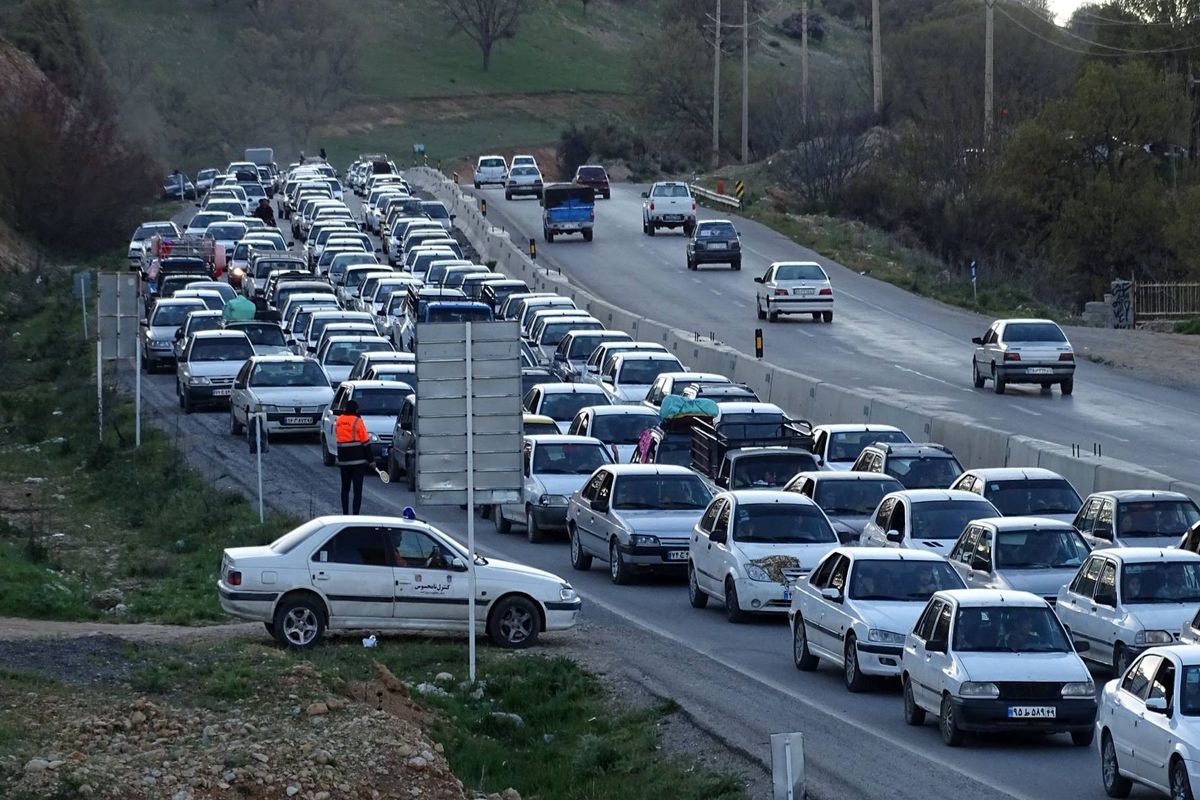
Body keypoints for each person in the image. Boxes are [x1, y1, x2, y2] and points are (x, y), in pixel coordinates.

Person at [335, 399, 371, 515]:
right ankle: (355, 515)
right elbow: (365, 442)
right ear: (356, 410)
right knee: (357, 490)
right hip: (358, 461)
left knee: (345, 489)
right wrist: (371, 460)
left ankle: (345, 514)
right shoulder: (358, 421)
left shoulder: (339, 421)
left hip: (344, 461)